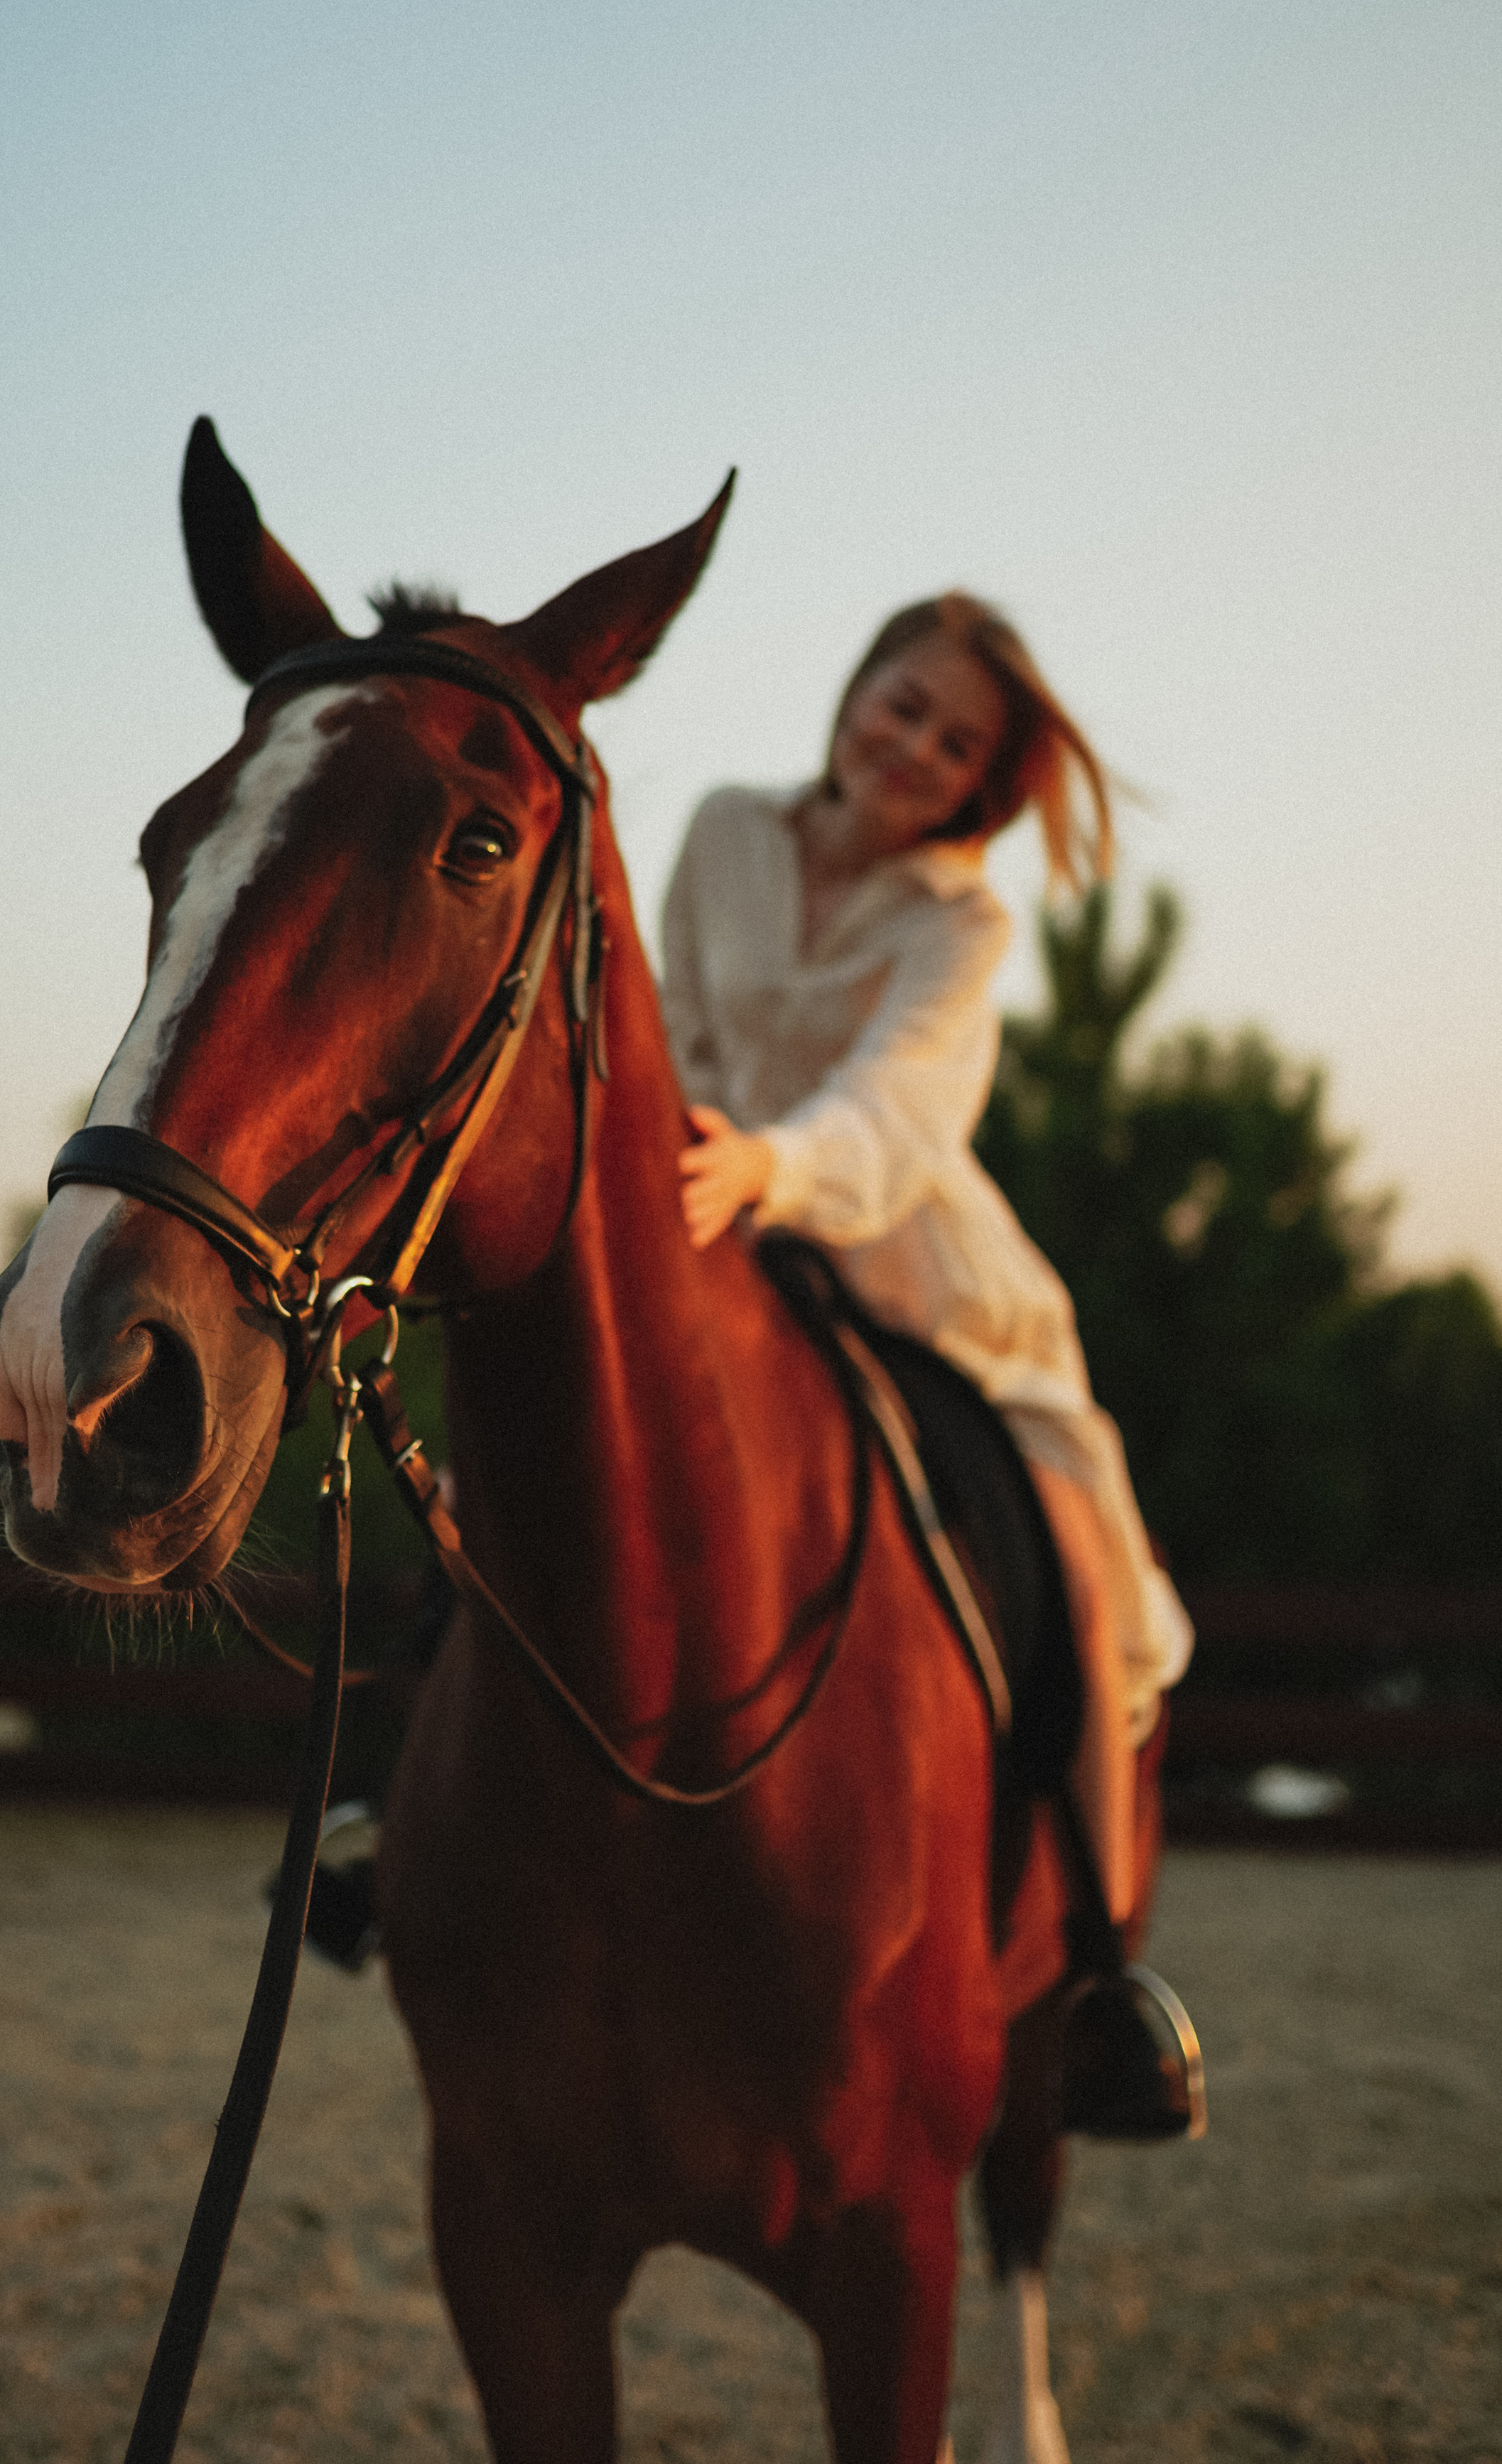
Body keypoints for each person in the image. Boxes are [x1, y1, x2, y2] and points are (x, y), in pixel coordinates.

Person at [663, 591, 1197, 2117]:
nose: (916, 746)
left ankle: (1102, 1968)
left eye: (956, 742)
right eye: (903, 705)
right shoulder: (718, 833)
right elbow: (670, 1020)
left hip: (911, 1272)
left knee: (1078, 1566)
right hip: (706, 1216)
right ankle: (406, 1812)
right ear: (855, 688)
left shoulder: (962, 920)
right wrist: (694, 1166)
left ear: (982, 784)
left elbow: (902, 1107)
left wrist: (770, 1170)